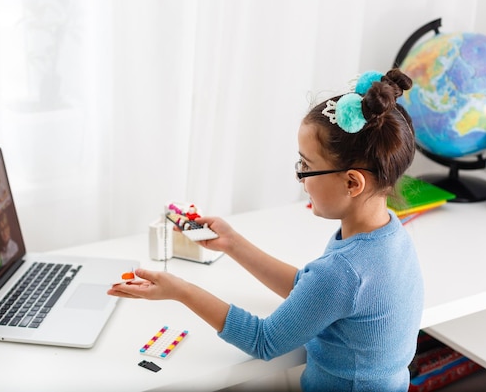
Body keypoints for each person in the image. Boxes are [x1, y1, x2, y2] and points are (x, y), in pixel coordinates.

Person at [108, 69, 424, 392]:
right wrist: (233, 243)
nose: (301, 178)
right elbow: (310, 291)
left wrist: (181, 291)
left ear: (352, 182)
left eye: (307, 167)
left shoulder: (343, 273)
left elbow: (264, 341)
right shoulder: (390, 237)